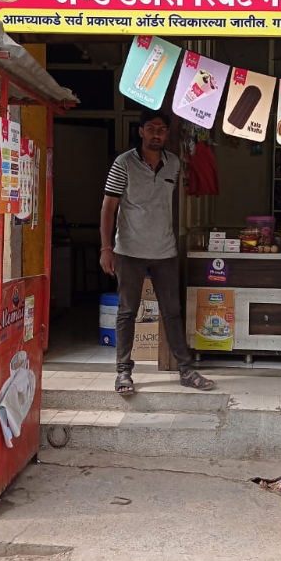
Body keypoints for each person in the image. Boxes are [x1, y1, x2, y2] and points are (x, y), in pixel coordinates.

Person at [100, 110, 214, 395]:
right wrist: (106, 248)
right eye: (151, 128)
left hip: (165, 250)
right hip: (129, 250)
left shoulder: (173, 163)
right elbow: (108, 208)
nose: (156, 134)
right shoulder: (123, 163)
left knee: (172, 311)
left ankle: (186, 370)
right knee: (127, 311)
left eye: (161, 130)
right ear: (140, 132)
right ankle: (123, 372)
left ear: (167, 133)